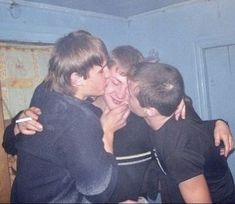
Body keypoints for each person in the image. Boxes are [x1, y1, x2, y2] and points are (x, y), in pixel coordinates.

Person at [3, 45, 234, 203]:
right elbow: (11, 144)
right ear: (101, 78)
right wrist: (19, 122)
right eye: (114, 82)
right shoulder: (74, 113)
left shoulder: (145, 114)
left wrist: (217, 122)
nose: (122, 94)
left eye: (129, 87)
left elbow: (187, 133)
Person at [7, 30, 130, 203]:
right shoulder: (79, 119)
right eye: (102, 71)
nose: (108, 74)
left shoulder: (45, 89)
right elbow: (99, 192)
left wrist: (18, 122)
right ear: (77, 79)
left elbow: (9, 142)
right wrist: (107, 132)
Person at [127, 61, 235, 203]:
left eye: (129, 94)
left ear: (150, 110)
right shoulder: (179, 107)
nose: (124, 95)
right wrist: (219, 123)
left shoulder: (179, 153)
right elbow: (200, 130)